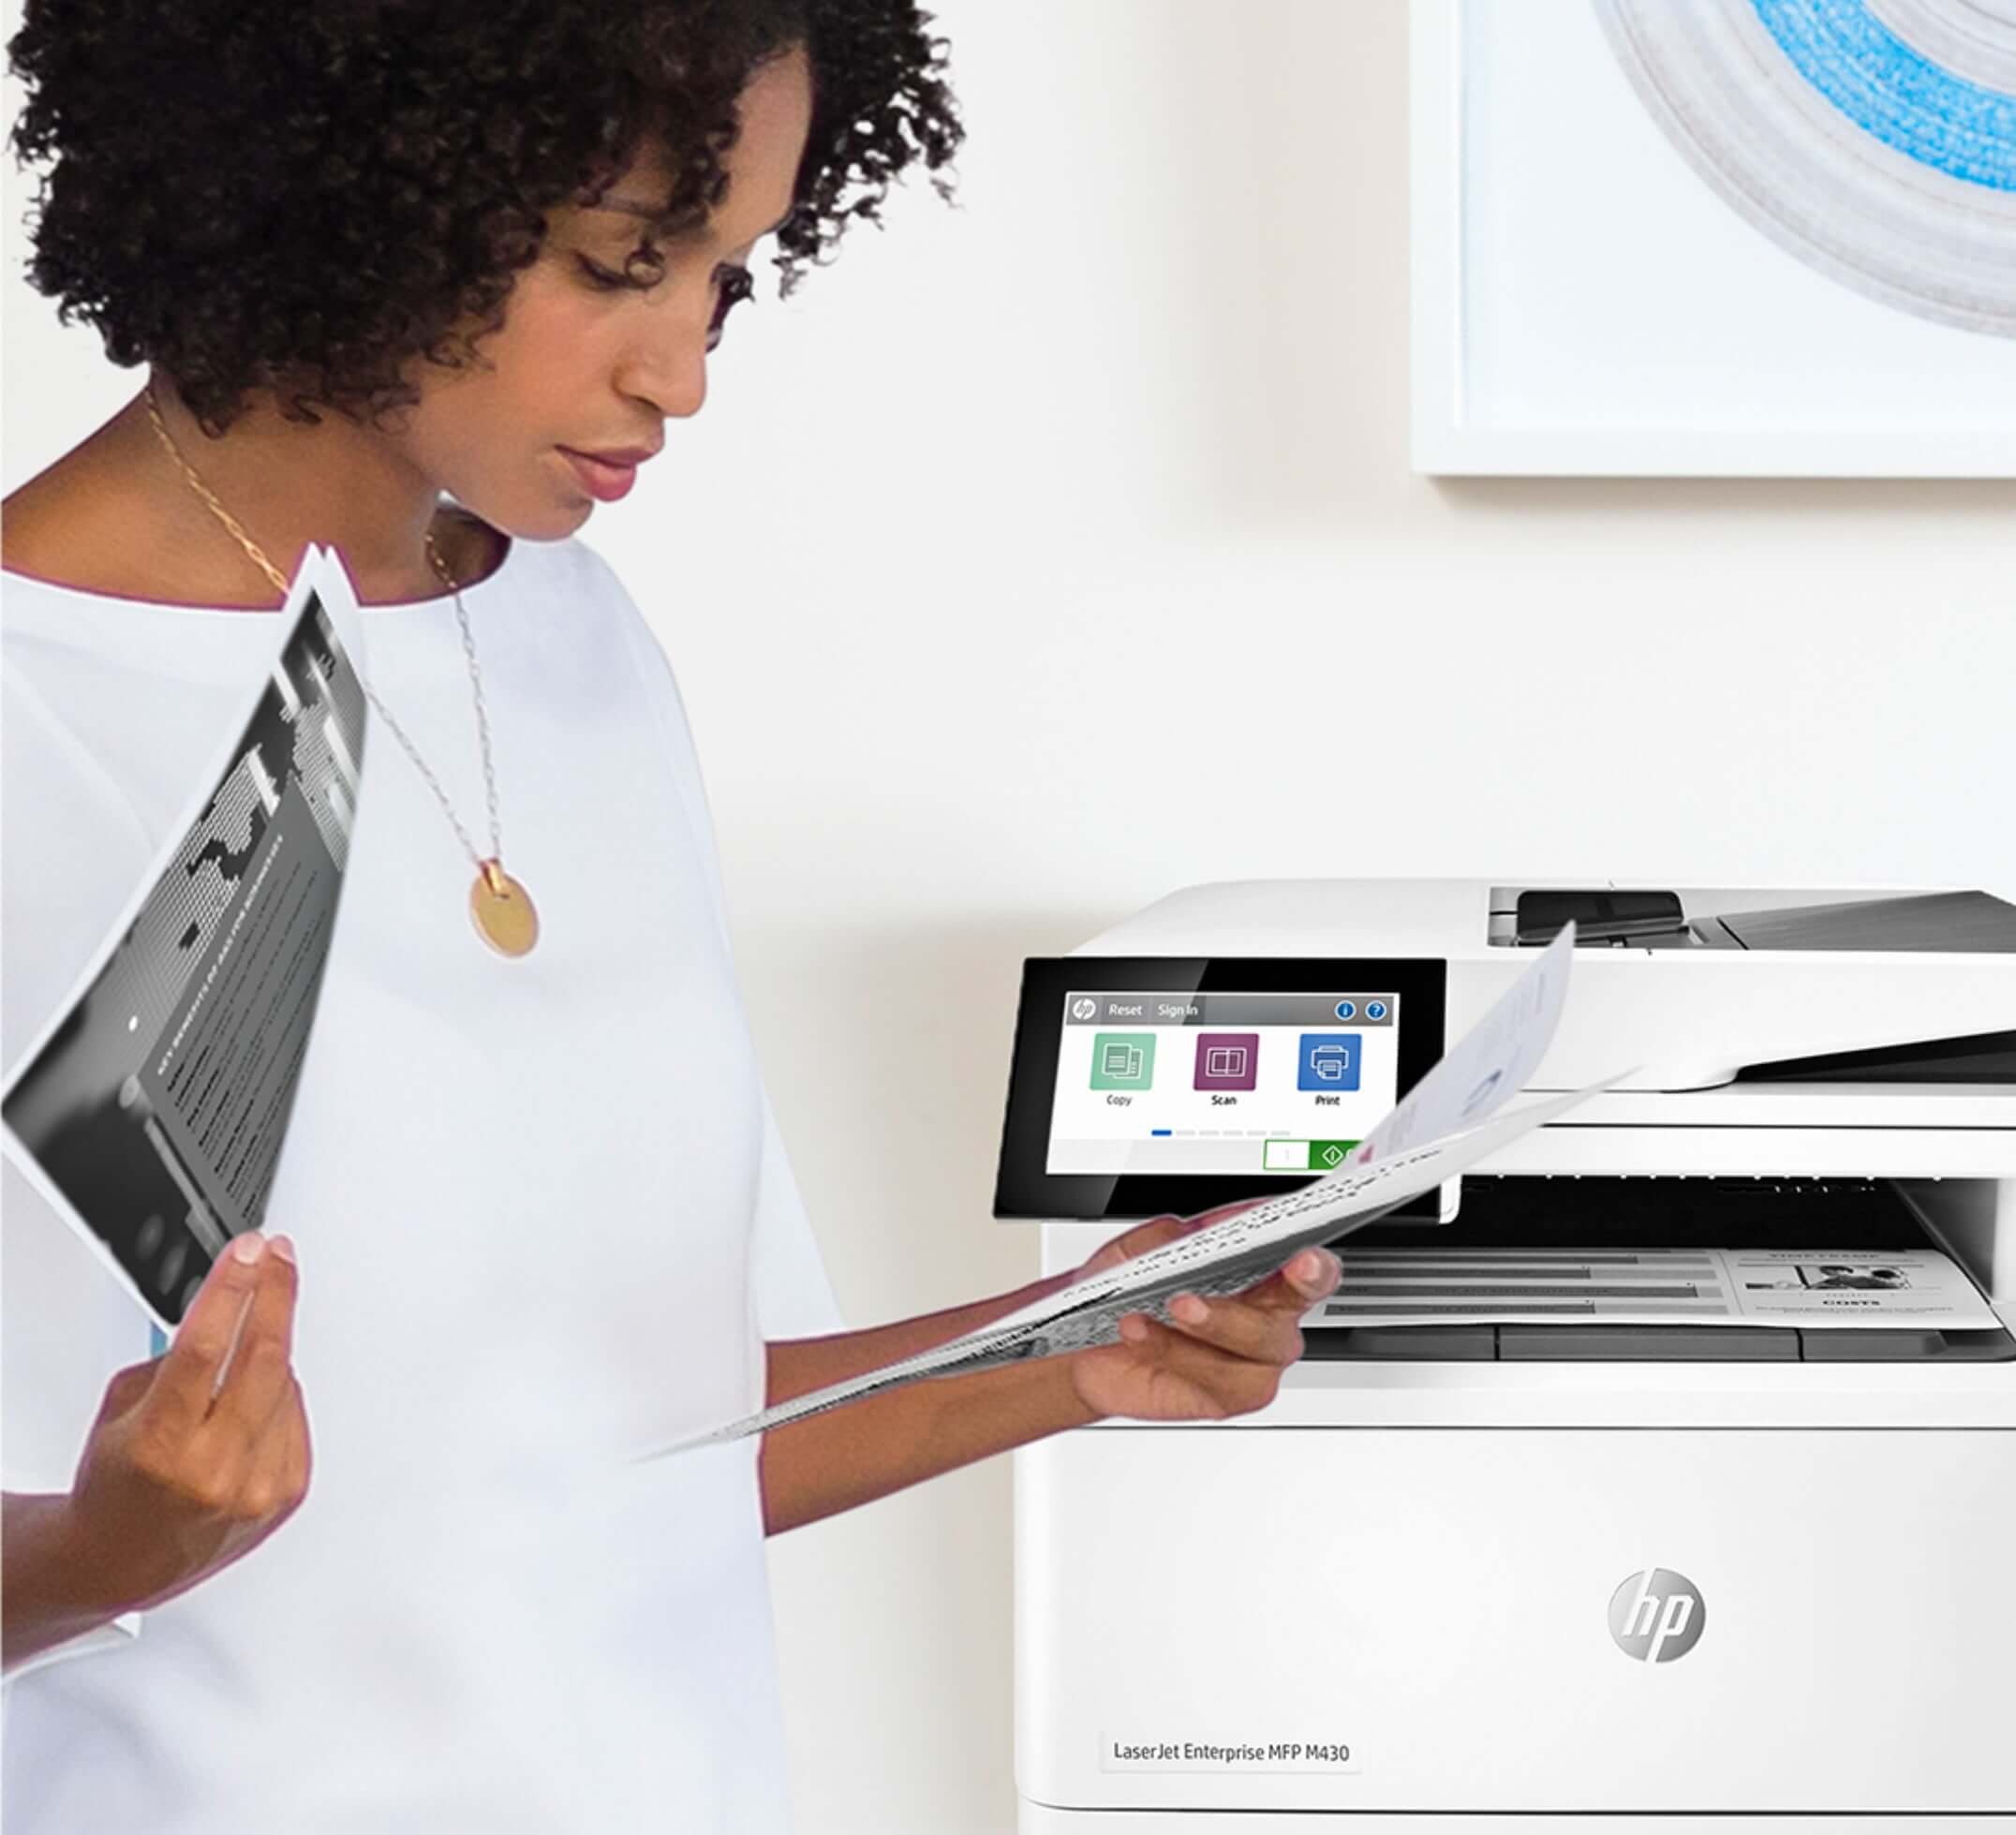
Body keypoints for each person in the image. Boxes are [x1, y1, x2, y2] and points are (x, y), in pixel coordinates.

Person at [0, 5, 1333, 1828]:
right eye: (623, 265)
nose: (684, 367)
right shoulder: (26, 701)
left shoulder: (578, 645)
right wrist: (103, 1546)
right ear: (362, 167)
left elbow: (640, 1439)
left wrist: (1079, 1344)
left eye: (727, 273)